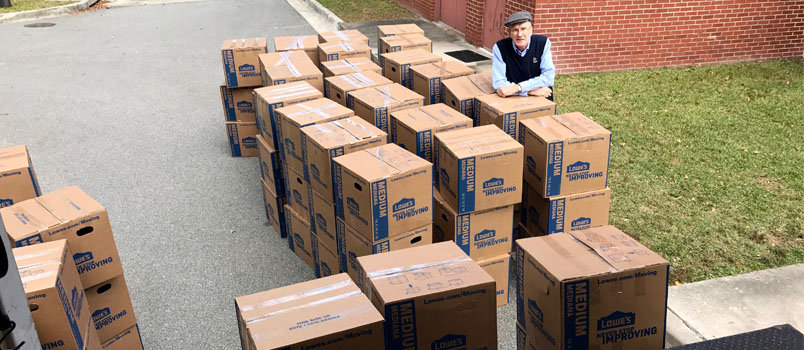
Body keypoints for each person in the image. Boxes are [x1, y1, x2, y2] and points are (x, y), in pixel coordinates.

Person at [492, 11, 554, 101]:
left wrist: (517, 88)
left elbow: (548, 78)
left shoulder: (542, 43)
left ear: (531, 30)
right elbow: (498, 84)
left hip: (542, 97)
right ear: (509, 33)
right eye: (515, 30)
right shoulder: (500, 48)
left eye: (523, 29)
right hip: (512, 101)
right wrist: (529, 92)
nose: (519, 34)